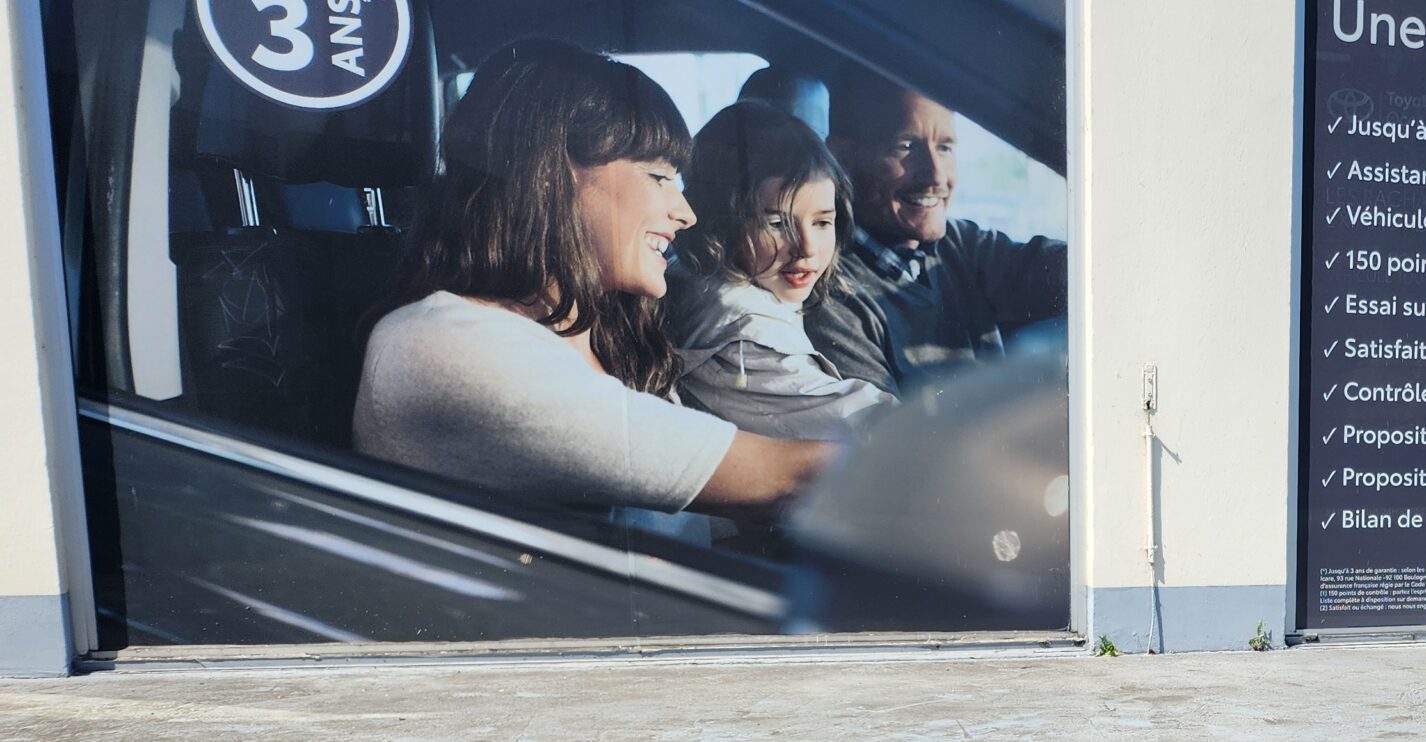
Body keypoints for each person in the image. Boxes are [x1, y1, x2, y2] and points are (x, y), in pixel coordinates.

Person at [355, 41, 834, 518]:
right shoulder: (446, 343)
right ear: (550, 174)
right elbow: (785, 480)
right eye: (658, 177)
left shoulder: (603, 332)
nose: (686, 213)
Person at [805, 72, 1067, 396]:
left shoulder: (959, 243)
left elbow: (1073, 271)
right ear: (842, 157)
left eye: (944, 148)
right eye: (905, 146)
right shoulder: (833, 296)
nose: (936, 176)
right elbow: (882, 428)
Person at [666, 103, 892, 443]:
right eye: (776, 223)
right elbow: (857, 420)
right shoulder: (744, 331)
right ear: (720, 226)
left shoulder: (703, 278)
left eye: (822, 222)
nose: (807, 249)